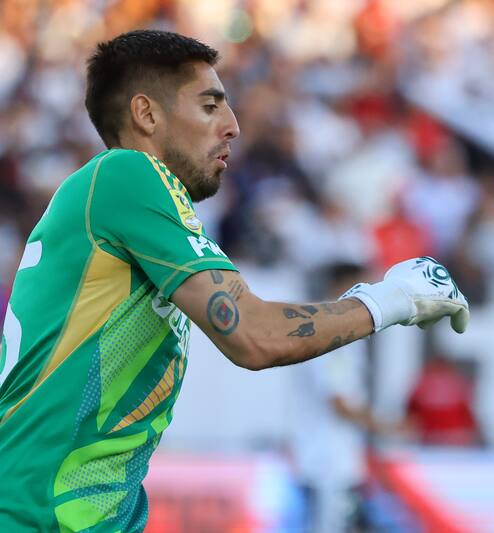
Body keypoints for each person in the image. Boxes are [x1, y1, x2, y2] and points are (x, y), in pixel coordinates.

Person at [0, 30, 469, 532]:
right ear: (147, 114)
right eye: (209, 106)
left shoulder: (120, 199)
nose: (233, 126)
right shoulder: (129, 174)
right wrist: (394, 297)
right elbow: (251, 334)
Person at [290, 262, 404, 533]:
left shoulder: (346, 337)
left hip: (340, 460)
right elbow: (339, 403)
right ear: (343, 288)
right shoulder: (329, 337)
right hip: (325, 462)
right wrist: (386, 426)